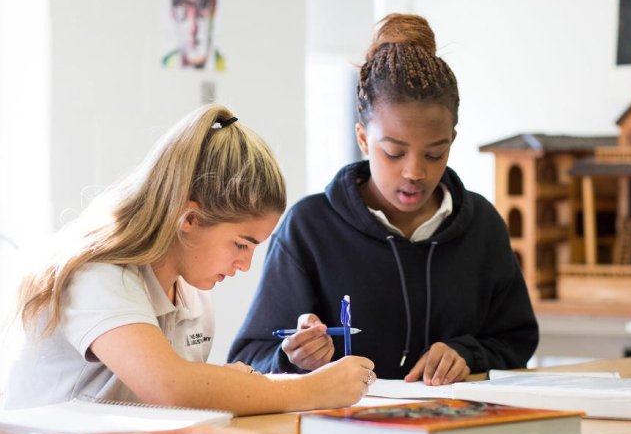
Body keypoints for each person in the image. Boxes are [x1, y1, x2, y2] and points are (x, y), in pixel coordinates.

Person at [228, 14, 539, 385]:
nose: (415, 172)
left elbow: (517, 340)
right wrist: (292, 357)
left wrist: (467, 354)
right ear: (363, 139)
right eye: (394, 153)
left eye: (435, 154)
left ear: (452, 142)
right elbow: (249, 358)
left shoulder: (482, 225)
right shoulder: (309, 229)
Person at [2, 104, 374, 413]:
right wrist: (314, 390)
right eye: (241, 244)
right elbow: (170, 386)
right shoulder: (99, 274)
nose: (245, 265)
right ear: (190, 219)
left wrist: (236, 384)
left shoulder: (193, 296)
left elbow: (179, 394)